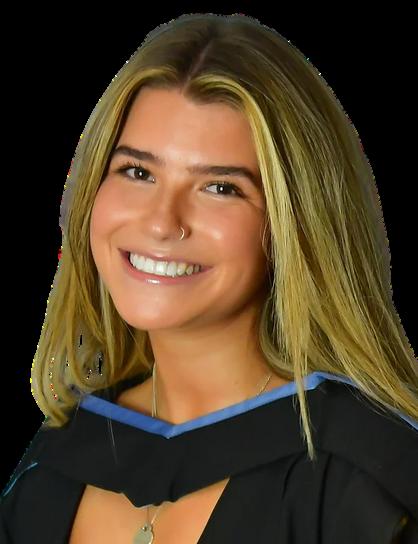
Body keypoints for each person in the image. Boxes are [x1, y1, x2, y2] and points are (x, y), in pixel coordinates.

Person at [1, 13, 417, 544]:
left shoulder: (371, 482)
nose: (161, 222)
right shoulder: (54, 464)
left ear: (294, 224)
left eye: (220, 187)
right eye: (137, 172)